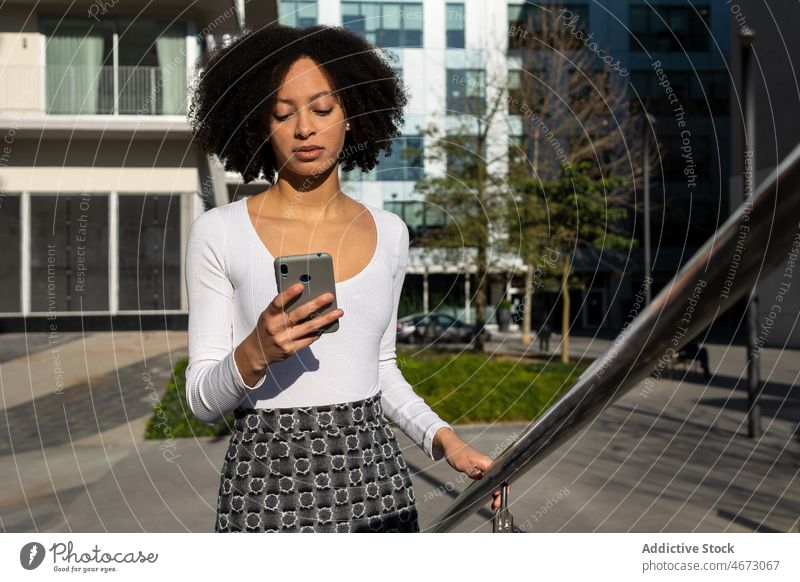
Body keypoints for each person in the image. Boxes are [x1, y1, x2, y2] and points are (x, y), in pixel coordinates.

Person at [186, 23, 506, 533]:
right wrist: (256, 351)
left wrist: (446, 440)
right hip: (266, 486)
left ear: (351, 115)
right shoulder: (218, 232)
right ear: (260, 126)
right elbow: (202, 401)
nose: (304, 129)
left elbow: (381, 369)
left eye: (322, 108)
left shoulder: (391, 233)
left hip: (376, 480)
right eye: (282, 113)